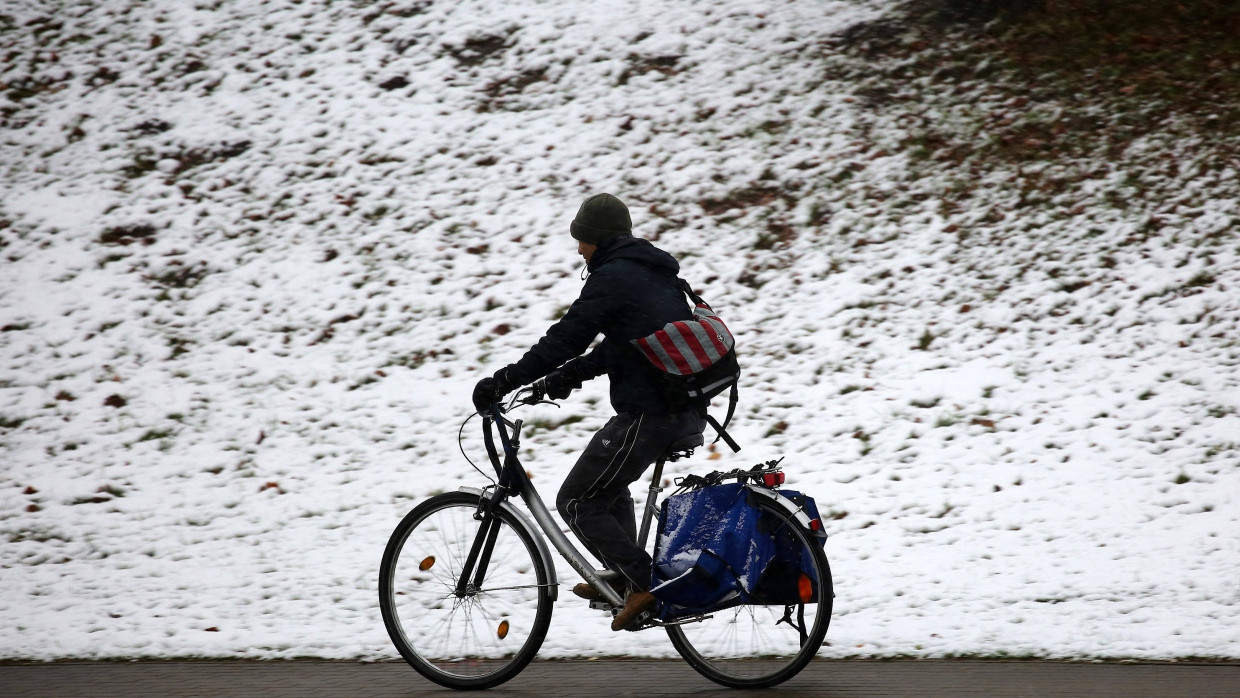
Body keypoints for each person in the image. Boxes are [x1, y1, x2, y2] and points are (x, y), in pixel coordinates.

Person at [472, 193, 707, 631]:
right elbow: (616, 350)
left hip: (651, 414)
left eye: (582, 240)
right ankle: (623, 571)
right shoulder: (654, 276)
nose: (579, 249)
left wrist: (503, 381)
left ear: (597, 239)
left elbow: (565, 339)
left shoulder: (613, 278)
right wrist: (557, 382)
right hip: (685, 410)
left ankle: (642, 584)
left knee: (576, 500)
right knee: (608, 486)